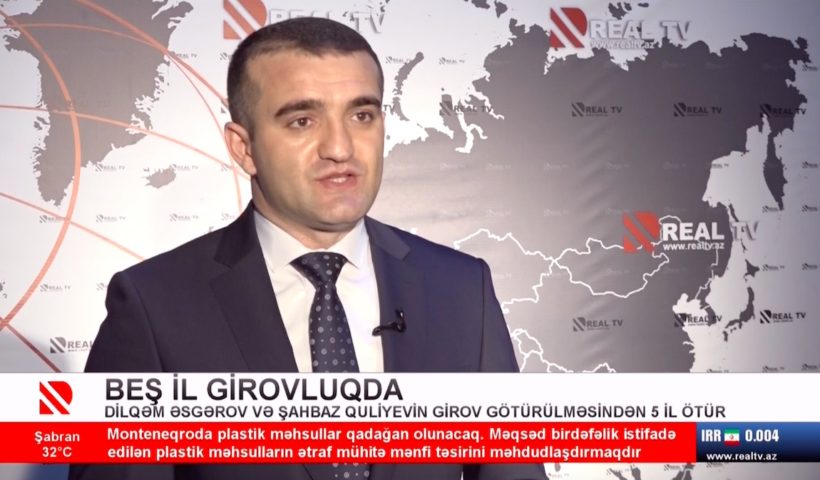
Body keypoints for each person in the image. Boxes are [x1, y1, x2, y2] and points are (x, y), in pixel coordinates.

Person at [69, 17, 546, 480]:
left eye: (361, 116)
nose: (340, 148)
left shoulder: (461, 290)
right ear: (243, 147)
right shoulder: (154, 306)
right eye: (302, 121)